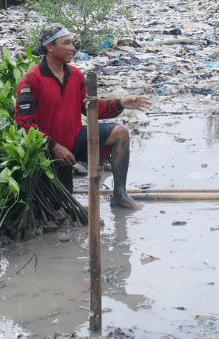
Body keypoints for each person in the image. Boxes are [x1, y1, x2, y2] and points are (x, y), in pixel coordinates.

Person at [15, 24, 150, 209]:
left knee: (121, 133)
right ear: (50, 47)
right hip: (49, 150)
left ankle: (119, 195)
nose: (73, 48)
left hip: (75, 139)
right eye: (67, 43)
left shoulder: (75, 75)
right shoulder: (31, 80)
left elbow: (92, 109)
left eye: (72, 43)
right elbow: (24, 125)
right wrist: (53, 146)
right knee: (62, 208)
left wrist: (120, 103)